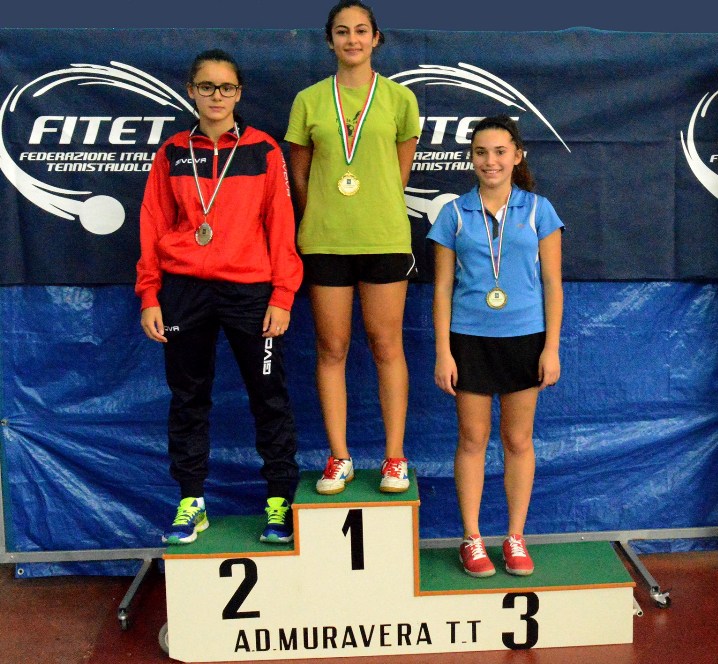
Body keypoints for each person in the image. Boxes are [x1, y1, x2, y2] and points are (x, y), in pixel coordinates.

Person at [136, 49, 303, 545]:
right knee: (188, 397)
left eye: (226, 87)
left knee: (268, 396)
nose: (216, 96)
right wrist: (149, 294)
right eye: (206, 87)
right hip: (184, 289)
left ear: (239, 93)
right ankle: (192, 500)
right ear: (191, 91)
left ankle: (279, 500)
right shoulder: (172, 153)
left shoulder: (263, 150)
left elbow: (281, 226)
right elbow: (153, 224)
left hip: (250, 290)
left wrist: (283, 295)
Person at [285, 0, 420, 495]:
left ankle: (394, 458)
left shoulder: (401, 99)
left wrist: (369, 205)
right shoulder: (308, 101)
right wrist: (326, 213)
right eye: (342, 31)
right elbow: (300, 174)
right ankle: (339, 457)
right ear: (330, 41)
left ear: (376, 38)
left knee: (387, 346)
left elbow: (399, 173)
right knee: (332, 349)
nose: (352, 40)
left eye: (361, 31)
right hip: (326, 241)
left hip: (384, 237)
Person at [428, 116, 564, 577]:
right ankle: (471, 538)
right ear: (471, 158)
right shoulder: (453, 214)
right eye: (481, 152)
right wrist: (443, 351)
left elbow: (553, 283)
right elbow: (442, 288)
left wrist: (551, 348)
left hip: (525, 339)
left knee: (518, 440)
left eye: (500, 151)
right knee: (472, 439)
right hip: (469, 340)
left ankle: (515, 537)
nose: (491, 161)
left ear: (517, 155)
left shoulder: (539, 210)